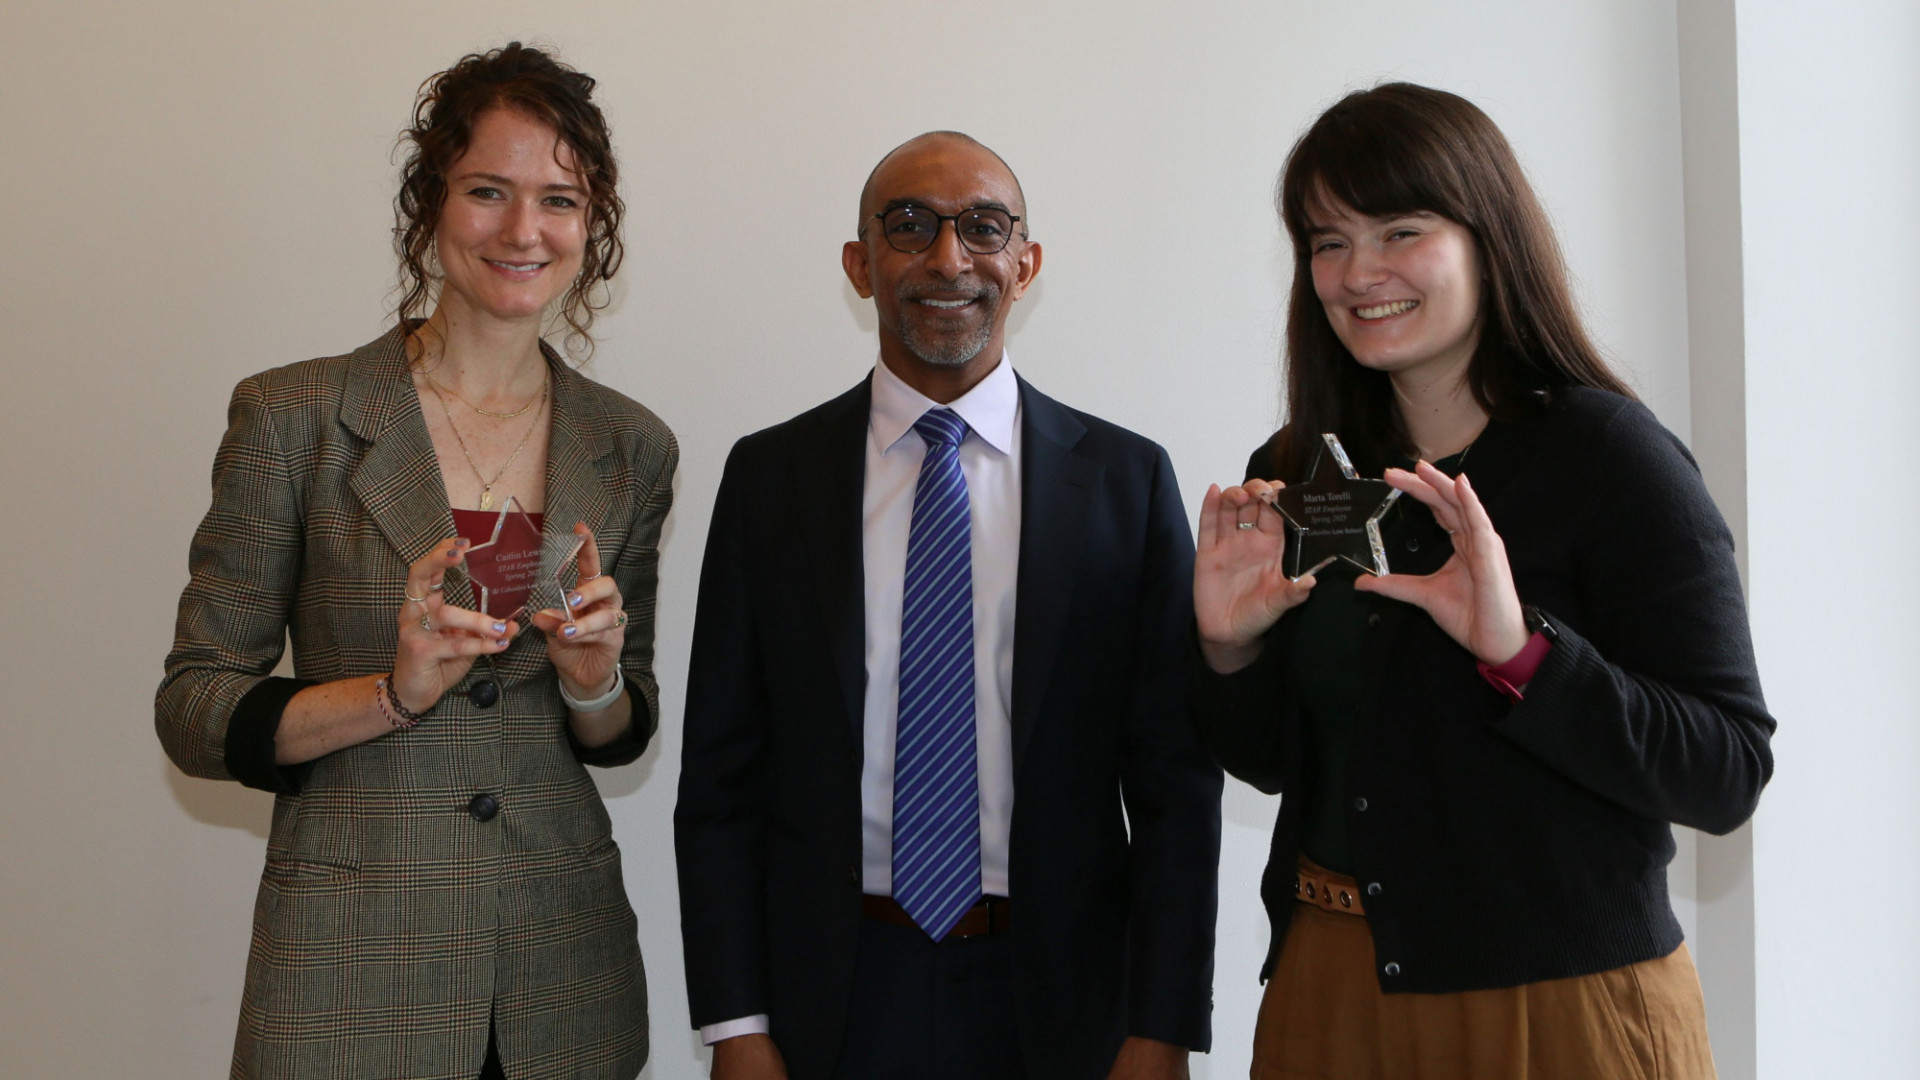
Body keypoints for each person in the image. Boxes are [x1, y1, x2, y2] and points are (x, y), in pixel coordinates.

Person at [1191, 82, 1776, 1079]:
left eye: (1400, 230)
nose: (1357, 273)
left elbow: (1725, 772)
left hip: (1556, 1006)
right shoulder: (1298, 467)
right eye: (1326, 241)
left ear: (1487, 236)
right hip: (1330, 991)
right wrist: (1228, 650)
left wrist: (1522, 654)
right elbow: (1282, 761)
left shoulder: (1611, 459)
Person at [156, 43, 673, 1080]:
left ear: (593, 226)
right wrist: (391, 694)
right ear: (431, 203)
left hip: (562, 983)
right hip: (347, 974)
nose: (525, 231)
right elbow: (197, 710)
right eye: (489, 191)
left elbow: (621, 732)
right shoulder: (294, 416)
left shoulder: (630, 445)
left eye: (560, 201)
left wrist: (595, 680)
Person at [674, 131, 1223, 1080]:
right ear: (859, 264)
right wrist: (736, 1023)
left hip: (1061, 995)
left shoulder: (1126, 483)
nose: (947, 258)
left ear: (1026, 263)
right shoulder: (771, 480)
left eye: (982, 228)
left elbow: (1176, 786)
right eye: (910, 226)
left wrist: (1161, 1024)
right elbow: (721, 779)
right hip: (833, 994)